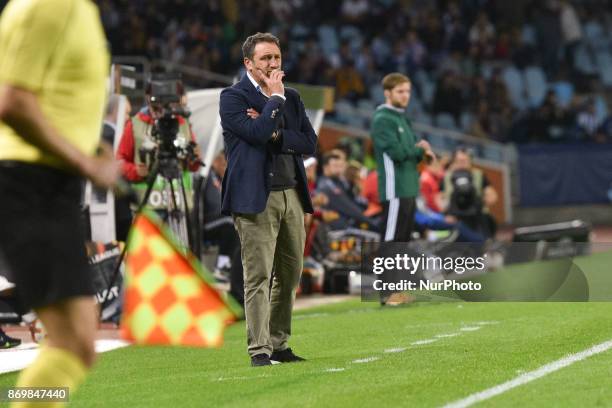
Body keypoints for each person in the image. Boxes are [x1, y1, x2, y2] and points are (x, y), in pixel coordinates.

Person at [0, 0, 121, 402]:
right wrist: (84, 160)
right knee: (72, 340)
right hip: (30, 180)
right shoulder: (52, 4)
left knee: (78, 339)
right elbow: (13, 101)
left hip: (46, 182)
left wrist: (93, 147)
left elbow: (50, 97)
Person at [219, 32, 317, 367]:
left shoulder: (294, 96)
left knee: (290, 275)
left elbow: (309, 143)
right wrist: (274, 103)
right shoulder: (232, 97)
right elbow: (256, 134)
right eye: (265, 59)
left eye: (276, 57)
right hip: (255, 198)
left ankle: (279, 343)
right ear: (249, 63)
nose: (273, 64)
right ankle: (258, 349)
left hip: (291, 193)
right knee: (258, 276)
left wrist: (274, 133)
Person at [370, 72, 434, 305]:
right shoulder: (383, 119)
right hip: (394, 189)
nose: (405, 96)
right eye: (400, 91)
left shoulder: (401, 118)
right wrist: (420, 151)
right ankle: (387, 293)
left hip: (407, 188)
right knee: (391, 240)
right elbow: (397, 153)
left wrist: (420, 149)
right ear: (387, 93)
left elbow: (413, 146)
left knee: (402, 241)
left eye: (407, 91)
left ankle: (398, 288)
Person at [201, 151, 244, 307]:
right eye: (224, 164)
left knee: (237, 225)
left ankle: (229, 268)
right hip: (206, 223)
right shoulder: (209, 177)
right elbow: (215, 205)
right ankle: (222, 267)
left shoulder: (221, 180)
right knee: (229, 222)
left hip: (220, 222)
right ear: (215, 162)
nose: (226, 168)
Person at [442, 147, 498, 238]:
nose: (462, 164)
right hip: (454, 216)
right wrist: (447, 211)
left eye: (465, 161)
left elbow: (492, 196)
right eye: (459, 161)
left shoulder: (478, 175)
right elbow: (439, 198)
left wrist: (481, 200)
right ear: (454, 162)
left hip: (477, 215)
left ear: (470, 161)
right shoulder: (447, 176)